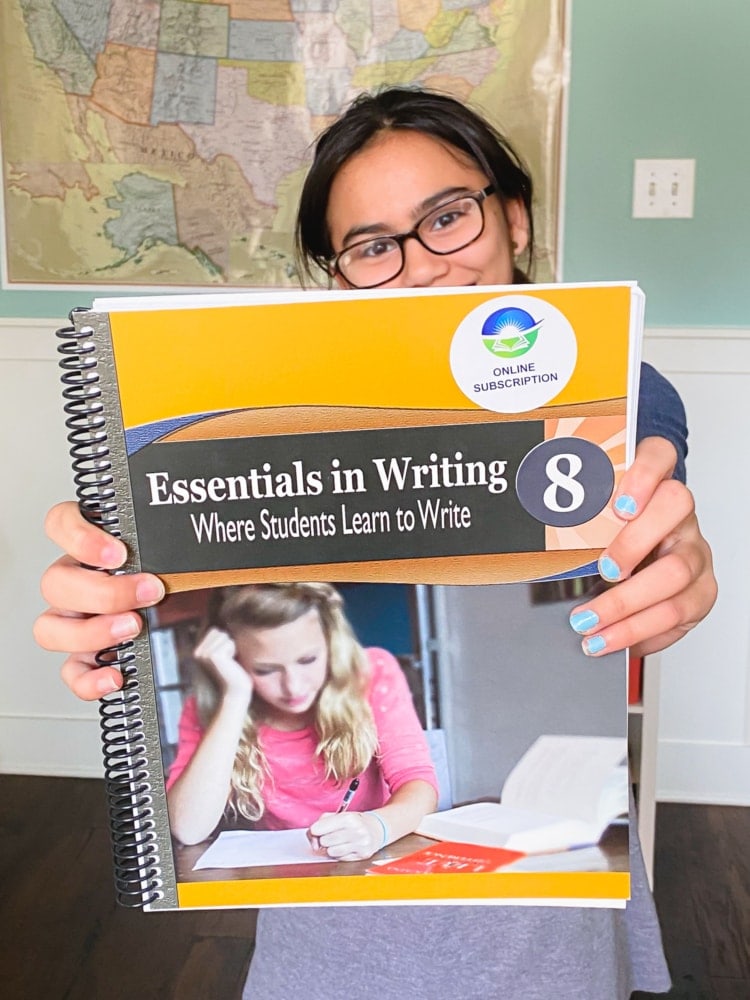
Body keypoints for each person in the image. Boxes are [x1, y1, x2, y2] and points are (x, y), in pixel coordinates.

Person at [35, 87, 717, 999]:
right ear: (339, 270)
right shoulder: (287, 423)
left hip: (540, 939)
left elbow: (644, 408)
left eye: (448, 217)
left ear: (512, 216)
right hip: (329, 938)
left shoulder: (604, 391)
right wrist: (113, 581)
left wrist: (665, 518)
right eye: (372, 245)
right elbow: (187, 823)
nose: (424, 267)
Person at [165, 582, 437, 855]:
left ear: (331, 643)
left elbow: (418, 784)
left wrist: (377, 827)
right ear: (234, 660)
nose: (293, 687)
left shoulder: (372, 673)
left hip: (376, 855)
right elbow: (188, 828)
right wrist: (234, 697)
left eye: (307, 660)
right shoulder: (213, 707)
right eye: (265, 670)